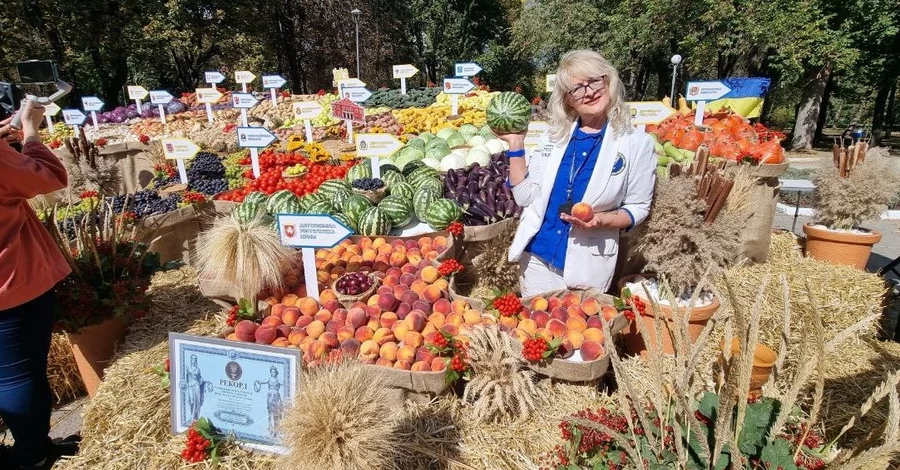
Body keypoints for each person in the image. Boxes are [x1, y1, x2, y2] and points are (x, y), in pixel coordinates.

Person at [498, 50, 657, 297]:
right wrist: (516, 144)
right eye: (577, 89)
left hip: (586, 266)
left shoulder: (636, 143)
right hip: (536, 258)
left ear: (608, 81)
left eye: (594, 81)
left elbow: (638, 207)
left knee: (579, 333)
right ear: (568, 100)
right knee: (537, 332)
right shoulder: (554, 137)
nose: (590, 92)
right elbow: (524, 197)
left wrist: (601, 220)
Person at [0, 100, 76, 469]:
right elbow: (48, 177)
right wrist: (30, 131)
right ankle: (32, 453)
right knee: (18, 374)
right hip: (10, 281)